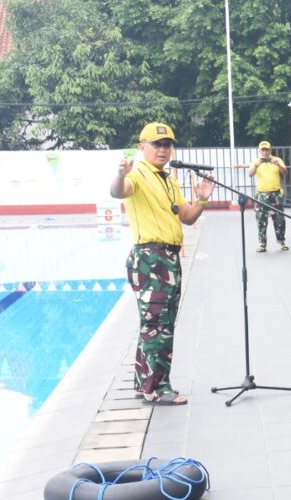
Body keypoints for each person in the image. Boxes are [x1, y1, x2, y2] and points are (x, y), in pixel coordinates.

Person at [109, 122, 213, 405]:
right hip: (150, 258)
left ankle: (143, 382)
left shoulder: (168, 179)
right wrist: (120, 175)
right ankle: (157, 388)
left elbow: (187, 217)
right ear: (142, 147)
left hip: (168, 258)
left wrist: (202, 200)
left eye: (168, 145)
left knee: (156, 322)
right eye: (157, 144)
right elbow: (118, 192)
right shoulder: (138, 173)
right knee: (158, 324)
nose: (163, 150)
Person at [247, 141, 288, 252]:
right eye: (263, 150)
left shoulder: (277, 160)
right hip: (261, 194)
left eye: (267, 150)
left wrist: (278, 164)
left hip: (275, 194)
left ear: (270, 150)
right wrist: (256, 165)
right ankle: (262, 244)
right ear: (259, 151)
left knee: (279, 219)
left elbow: (285, 172)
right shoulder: (256, 161)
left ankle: (282, 241)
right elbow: (250, 174)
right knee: (261, 220)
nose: (265, 152)